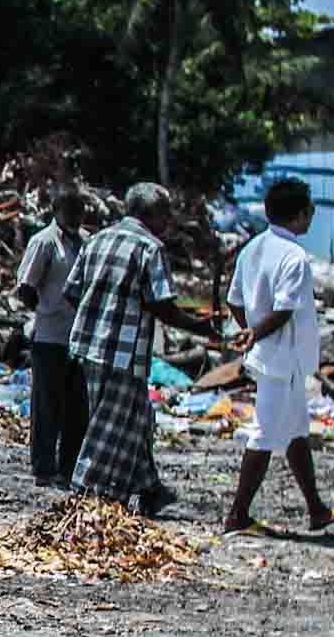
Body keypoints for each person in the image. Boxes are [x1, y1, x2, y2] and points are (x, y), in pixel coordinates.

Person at [64, 182, 222, 516]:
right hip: (123, 352)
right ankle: (85, 494)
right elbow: (162, 305)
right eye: (165, 214)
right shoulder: (150, 248)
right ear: (151, 214)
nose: (168, 222)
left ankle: (150, 488)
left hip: (88, 345)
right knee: (107, 426)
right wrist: (201, 327)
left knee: (136, 418)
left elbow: (71, 292)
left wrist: (99, 310)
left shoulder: (96, 240)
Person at [221, 177, 334, 533]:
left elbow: (234, 300)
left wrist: (250, 331)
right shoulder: (294, 256)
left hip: (270, 356)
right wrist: (256, 333)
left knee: (296, 431)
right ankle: (237, 515)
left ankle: (316, 509)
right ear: (299, 215)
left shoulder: (253, 248)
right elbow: (285, 309)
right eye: (310, 211)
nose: (312, 217)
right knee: (265, 434)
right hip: (282, 360)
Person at [12, 190, 92, 487]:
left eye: (79, 210)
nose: (75, 216)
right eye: (70, 209)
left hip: (78, 336)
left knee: (76, 407)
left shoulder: (85, 241)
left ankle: (69, 467)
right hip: (49, 335)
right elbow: (26, 287)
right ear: (56, 210)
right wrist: (45, 309)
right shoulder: (45, 242)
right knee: (47, 405)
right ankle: (44, 467)